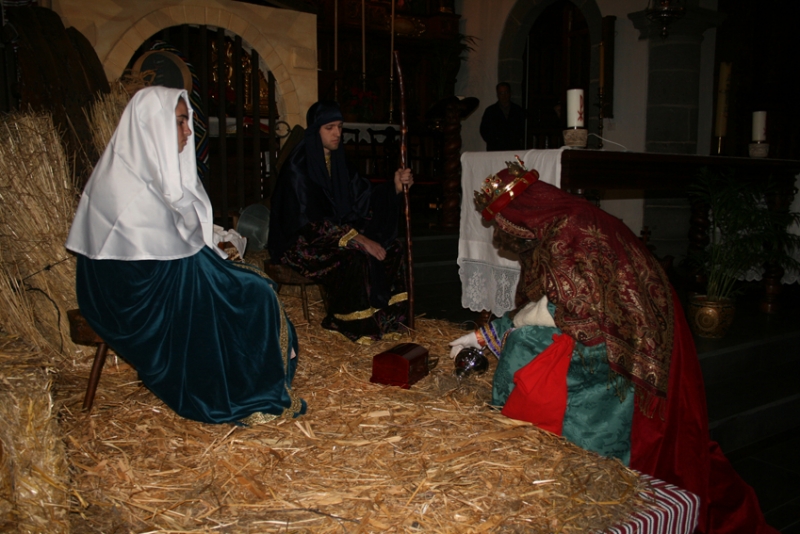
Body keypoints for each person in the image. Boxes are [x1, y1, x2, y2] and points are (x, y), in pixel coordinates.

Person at [449, 160, 777, 534]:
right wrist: (490, 332)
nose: (506, 236)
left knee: (524, 347)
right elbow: (557, 297)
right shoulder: (564, 220)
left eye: (507, 226)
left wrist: (498, 333)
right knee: (524, 337)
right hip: (632, 323)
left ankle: (545, 439)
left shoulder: (565, 232)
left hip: (622, 335)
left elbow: (572, 312)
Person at [66, 86, 305, 425]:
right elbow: (155, 263)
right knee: (252, 295)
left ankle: (250, 377)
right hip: (127, 299)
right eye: (179, 122)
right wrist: (218, 273)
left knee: (251, 284)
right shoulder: (125, 186)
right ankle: (238, 390)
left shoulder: (147, 173)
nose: (188, 132)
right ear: (153, 125)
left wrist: (217, 267)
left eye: (186, 122)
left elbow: (175, 250)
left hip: (163, 278)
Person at [268, 101, 413, 345]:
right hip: (302, 243)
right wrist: (358, 239)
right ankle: (352, 323)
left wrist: (394, 187)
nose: (337, 133)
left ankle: (387, 321)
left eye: (339, 127)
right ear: (315, 130)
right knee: (355, 256)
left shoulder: (339, 161)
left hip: (337, 234)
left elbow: (363, 197)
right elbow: (308, 222)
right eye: (329, 128)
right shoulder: (298, 167)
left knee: (393, 247)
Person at [479, 82, 526, 151]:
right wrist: (494, 141)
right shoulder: (490, 111)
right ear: (497, 95)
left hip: (513, 148)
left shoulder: (517, 110)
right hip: (495, 149)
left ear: (510, 93)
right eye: (501, 93)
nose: (504, 96)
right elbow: (484, 130)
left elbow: (522, 129)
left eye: (506, 92)